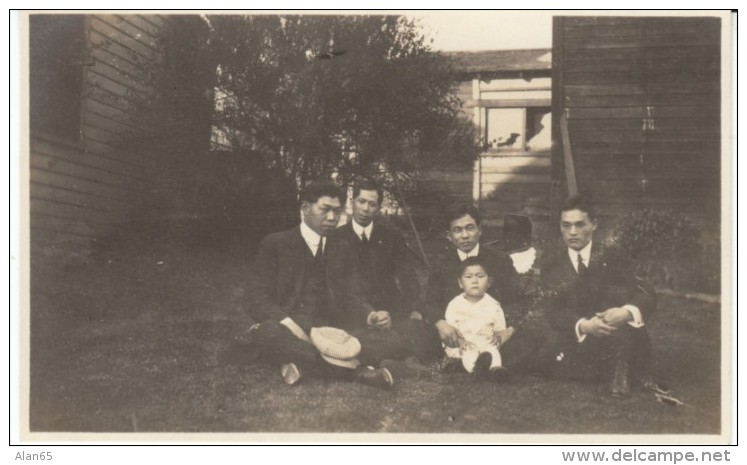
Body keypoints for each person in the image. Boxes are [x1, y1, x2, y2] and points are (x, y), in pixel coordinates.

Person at [246, 181, 394, 388]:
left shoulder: (342, 248)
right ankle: (356, 370)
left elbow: (352, 296)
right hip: (290, 327)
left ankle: (299, 362)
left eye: (337, 211)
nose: (332, 218)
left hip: (333, 329)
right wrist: (289, 324)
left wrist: (370, 315)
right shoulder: (276, 244)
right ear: (305, 208)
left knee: (384, 337)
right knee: (269, 332)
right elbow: (256, 297)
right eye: (325, 210)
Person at [538, 194, 656, 397]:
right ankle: (615, 370)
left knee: (628, 333)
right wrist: (585, 325)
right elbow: (552, 310)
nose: (572, 232)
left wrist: (626, 312)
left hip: (614, 334)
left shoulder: (615, 255)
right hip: (577, 339)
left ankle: (622, 370)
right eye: (566, 225)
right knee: (552, 355)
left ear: (594, 225)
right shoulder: (551, 264)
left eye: (579, 225)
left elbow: (646, 293)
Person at [333, 180, 442, 365]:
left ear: (378, 208)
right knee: (360, 339)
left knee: (421, 332)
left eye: (372, 204)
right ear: (352, 202)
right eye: (361, 201)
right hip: (354, 316)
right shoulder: (336, 238)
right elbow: (338, 288)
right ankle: (399, 359)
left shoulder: (391, 237)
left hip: (391, 315)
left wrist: (412, 310)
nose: (365, 208)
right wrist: (367, 315)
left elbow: (409, 279)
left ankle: (392, 357)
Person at [424, 205, 522, 350]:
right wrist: (440, 323)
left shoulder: (499, 260)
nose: (465, 235)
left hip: (492, 335)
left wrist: (507, 331)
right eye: (457, 230)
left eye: (470, 228)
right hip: (455, 336)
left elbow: (518, 300)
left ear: (479, 230)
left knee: (531, 335)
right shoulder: (441, 264)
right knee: (417, 331)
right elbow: (430, 302)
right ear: (449, 236)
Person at [443, 256, 514, 378]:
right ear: (460, 283)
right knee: (468, 352)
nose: (475, 281)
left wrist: (498, 338)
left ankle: (496, 369)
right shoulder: (454, 305)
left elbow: (500, 330)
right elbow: (451, 331)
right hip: (464, 344)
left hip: (485, 342)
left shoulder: (494, 305)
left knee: (492, 350)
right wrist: (461, 342)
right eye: (468, 277)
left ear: (489, 282)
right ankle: (476, 369)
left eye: (480, 276)